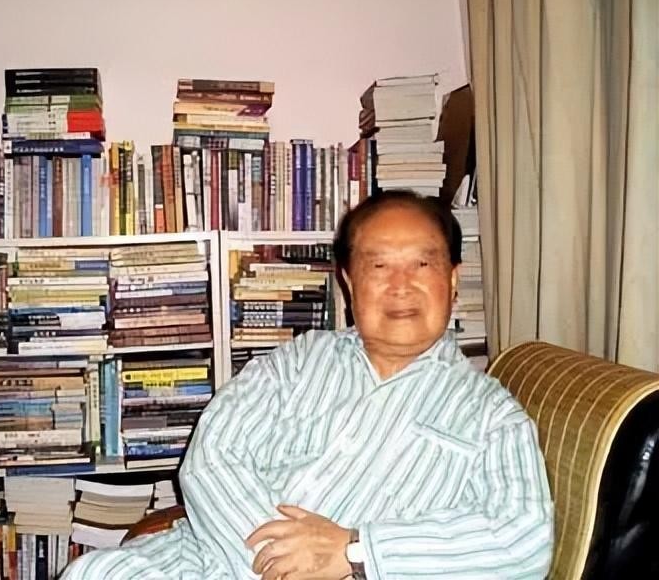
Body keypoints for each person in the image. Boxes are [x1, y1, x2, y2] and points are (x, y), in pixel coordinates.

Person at [61, 190, 554, 580]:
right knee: (92, 572)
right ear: (349, 282)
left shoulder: (492, 415)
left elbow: (523, 540)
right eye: (379, 265)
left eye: (422, 264)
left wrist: (356, 551)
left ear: (453, 279)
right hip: (223, 554)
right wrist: (276, 566)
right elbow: (213, 458)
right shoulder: (298, 361)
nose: (401, 285)